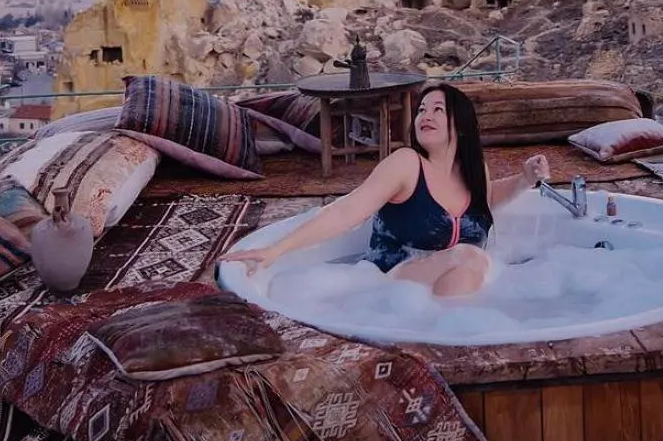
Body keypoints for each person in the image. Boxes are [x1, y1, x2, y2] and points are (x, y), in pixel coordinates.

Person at [222, 83, 550, 298]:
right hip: (385, 286)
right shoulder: (406, 164)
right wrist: (276, 251)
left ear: (461, 125)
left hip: (440, 291)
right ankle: (453, 338)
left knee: (473, 264)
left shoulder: (474, 171)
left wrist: (523, 180)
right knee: (470, 257)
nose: (426, 115)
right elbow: (347, 211)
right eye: (422, 109)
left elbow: (484, 200)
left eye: (438, 109)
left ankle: (457, 336)